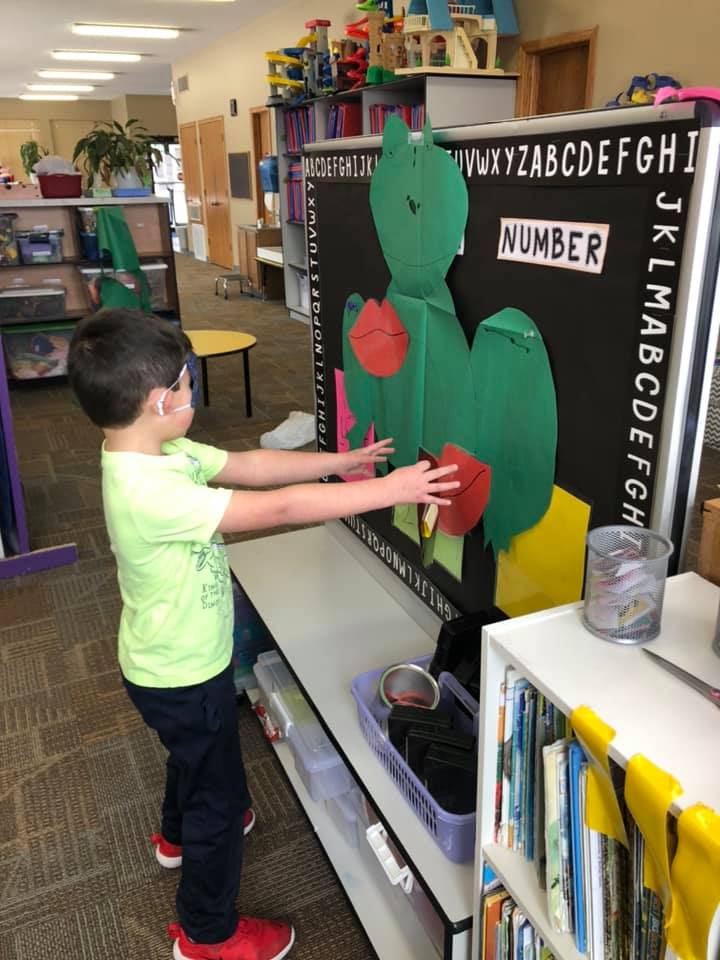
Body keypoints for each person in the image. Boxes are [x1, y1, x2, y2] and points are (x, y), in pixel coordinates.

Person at [67, 309, 459, 960]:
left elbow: (252, 468)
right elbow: (274, 508)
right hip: (180, 672)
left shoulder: (157, 450)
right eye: (191, 385)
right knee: (217, 803)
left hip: (174, 664)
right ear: (164, 401)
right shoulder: (147, 491)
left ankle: (172, 837)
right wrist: (389, 488)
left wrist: (346, 461)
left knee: (193, 754)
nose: (195, 393)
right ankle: (206, 933)